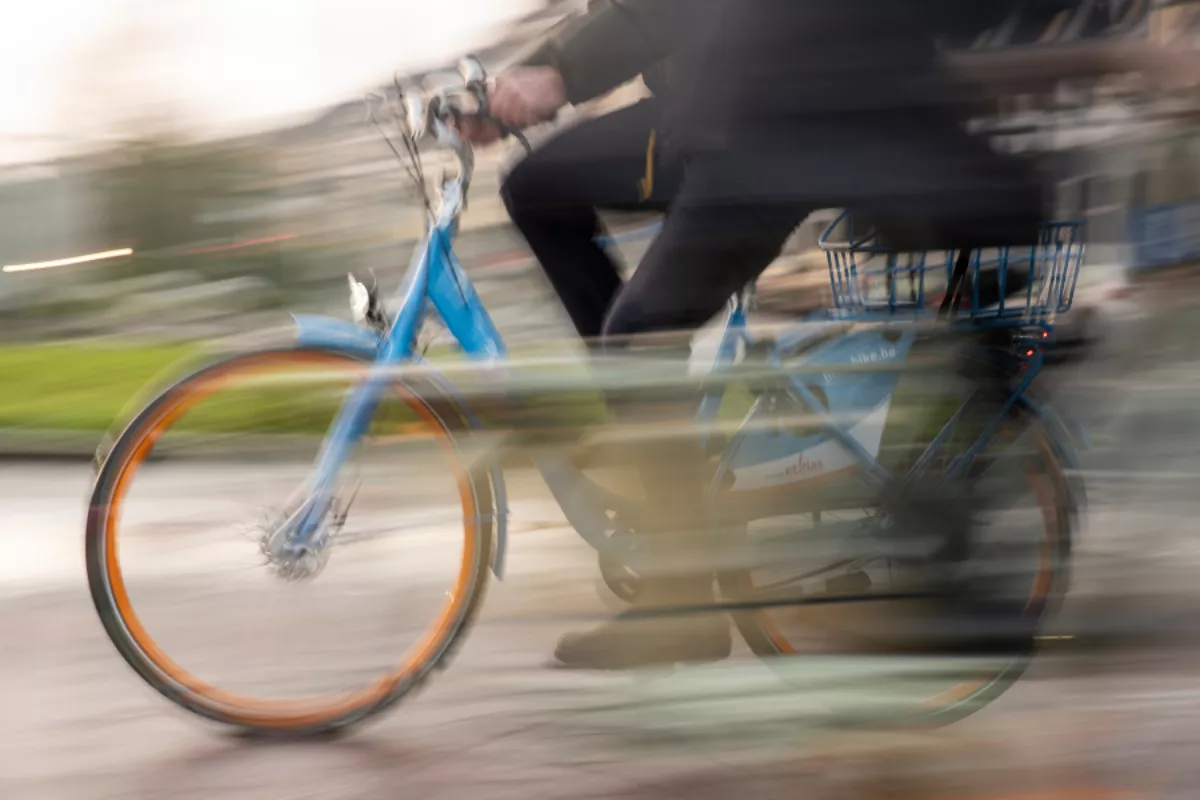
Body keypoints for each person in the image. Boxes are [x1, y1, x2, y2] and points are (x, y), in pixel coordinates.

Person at [457, 0, 1047, 670]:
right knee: (538, 188)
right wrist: (540, 71)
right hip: (715, 106)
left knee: (641, 334)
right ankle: (645, 419)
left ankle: (679, 597)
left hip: (776, 119)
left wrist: (558, 72)